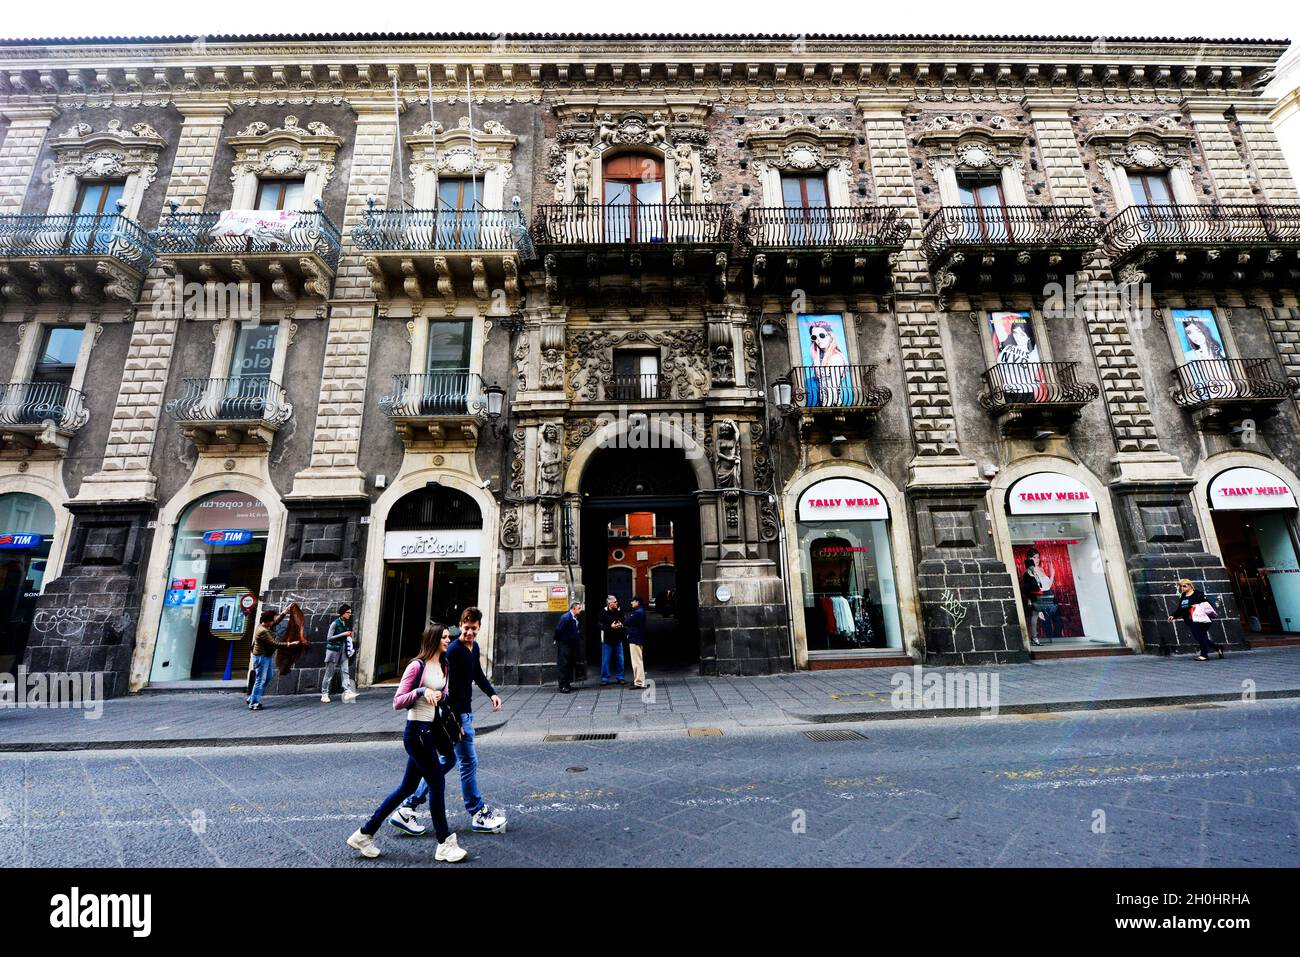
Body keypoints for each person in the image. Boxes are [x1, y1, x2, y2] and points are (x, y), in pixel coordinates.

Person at [346, 623, 467, 862]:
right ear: (432, 639)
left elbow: (447, 695)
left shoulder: (444, 665)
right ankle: (444, 843)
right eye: (443, 637)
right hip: (416, 733)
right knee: (436, 784)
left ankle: (364, 833)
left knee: (408, 787)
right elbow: (398, 701)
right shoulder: (416, 666)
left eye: (447, 637)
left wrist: (440, 695)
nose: (447, 640)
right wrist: (422, 692)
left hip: (431, 731)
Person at [390, 607, 507, 837]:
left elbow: (477, 675)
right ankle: (477, 811)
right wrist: (457, 722)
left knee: (446, 762)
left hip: (465, 714)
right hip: (457, 716)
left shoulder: (473, 649)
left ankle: (408, 806)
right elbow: (447, 689)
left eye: (474, 628)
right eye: (466, 628)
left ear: (479, 627)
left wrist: (492, 693)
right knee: (467, 763)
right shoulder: (453, 651)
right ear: (460, 625)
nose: (470, 632)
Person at [247, 604, 304, 711]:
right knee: (260, 680)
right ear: (268, 621)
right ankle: (254, 703)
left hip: (266, 656)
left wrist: (285, 611)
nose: (274, 622)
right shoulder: (263, 631)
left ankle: (252, 697)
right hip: (261, 657)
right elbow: (274, 643)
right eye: (272, 620)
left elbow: (276, 620)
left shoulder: (267, 625)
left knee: (268, 677)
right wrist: (289, 644)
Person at [1168, 578, 1225, 661]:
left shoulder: (1198, 594)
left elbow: (1207, 605)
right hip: (1190, 620)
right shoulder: (1183, 596)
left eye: (1184, 586)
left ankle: (1204, 655)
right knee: (1199, 637)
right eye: (1181, 586)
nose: (1182, 588)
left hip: (1201, 619)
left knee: (1201, 636)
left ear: (1190, 586)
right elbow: (1180, 609)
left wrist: (1197, 605)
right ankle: (1218, 647)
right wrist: (1173, 616)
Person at [1020, 548, 1061, 646]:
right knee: (1046, 624)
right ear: (1029, 559)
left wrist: (1052, 575)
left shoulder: (1041, 569)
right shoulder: (1029, 572)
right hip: (1040, 598)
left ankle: (1056, 642)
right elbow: (1029, 591)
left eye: (1038, 557)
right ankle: (1051, 645)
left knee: (1059, 623)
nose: (1037, 559)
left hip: (1050, 595)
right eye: (1034, 557)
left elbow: (1048, 586)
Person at [321, 603, 358, 703]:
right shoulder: (335, 623)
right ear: (343, 613)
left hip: (343, 651)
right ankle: (324, 693)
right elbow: (329, 638)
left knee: (345, 671)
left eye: (350, 613)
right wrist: (343, 634)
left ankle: (347, 691)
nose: (349, 614)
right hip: (333, 651)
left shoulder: (346, 623)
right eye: (348, 613)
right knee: (329, 673)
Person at [554, 600, 582, 693]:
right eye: (579, 608)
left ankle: (567, 684)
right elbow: (558, 629)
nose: (580, 610)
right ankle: (562, 686)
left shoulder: (574, 617)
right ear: (573, 609)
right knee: (564, 664)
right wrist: (557, 639)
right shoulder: (566, 617)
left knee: (569, 664)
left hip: (571, 644)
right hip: (565, 644)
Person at [598, 594, 625, 686]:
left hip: (618, 639)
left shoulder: (619, 610)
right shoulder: (603, 612)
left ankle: (620, 677)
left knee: (620, 659)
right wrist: (610, 626)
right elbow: (599, 625)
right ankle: (605, 678)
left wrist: (621, 624)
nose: (617, 603)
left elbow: (623, 620)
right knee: (605, 660)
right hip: (607, 640)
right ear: (610, 603)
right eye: (615, 602)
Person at [625, 596, 647, 689]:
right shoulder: (641, 611)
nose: (631, 603)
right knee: (638, 660)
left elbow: (627, 621)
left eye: (632, 601)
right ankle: (639, 680)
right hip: (638, 638)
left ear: (637, 602)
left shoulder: (637, 612)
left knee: (636, 661)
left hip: (635, 638)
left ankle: (639, 682)